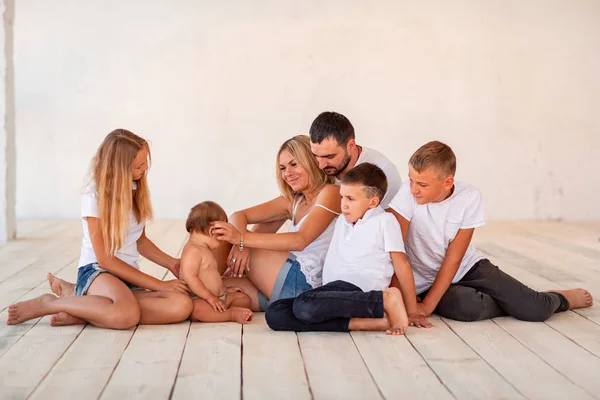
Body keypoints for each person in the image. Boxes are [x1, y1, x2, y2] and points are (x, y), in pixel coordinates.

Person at [388, 140, 594, 321]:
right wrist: (411, 303)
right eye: (412, 180)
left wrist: (428, 306)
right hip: (422, 280)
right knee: (467, 308)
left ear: (448, 182)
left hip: (466, 268)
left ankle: (555, 298)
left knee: (535, 310)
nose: (414, 189)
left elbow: (454, 259)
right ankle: (516, 302)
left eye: (422, 184)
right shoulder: (406, 195)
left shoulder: (469, 197)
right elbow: (397, 255)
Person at [8, 129, 193, 328]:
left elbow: (139, 240)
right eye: (139, 165)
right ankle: (51, 303)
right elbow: (105, 259)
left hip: (126, 275)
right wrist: (159, 285)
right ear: (120, 168)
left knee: (181, 305)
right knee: (126, 316)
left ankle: (84, 308)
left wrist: (171, 263)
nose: (146, 168)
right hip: (99, 271)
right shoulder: (94, 196)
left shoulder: (134, 188)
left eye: (145, 162)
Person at [266, 163, 432, 334]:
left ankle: (384, 300)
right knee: (275, 313)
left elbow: (402, 264)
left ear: (373, 202)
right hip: (332, 293)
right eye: (342, 197)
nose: (344, 205)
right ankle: (366, 323)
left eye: (350, 199)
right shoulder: (341, 221)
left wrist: (412, 311)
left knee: (304, 305)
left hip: (358, 290)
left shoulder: (384, 221)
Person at [210, 135, 341, 312]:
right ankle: (181, 286)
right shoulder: (292, 201)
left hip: (301, 284)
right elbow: (238, 215)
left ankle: (190, 269)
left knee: (226, 235)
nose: (287, 173)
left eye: (294, 164)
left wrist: (241, 239)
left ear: (311, 161)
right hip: (278, 285)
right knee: (210, 289)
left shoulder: (331, 192)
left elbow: (300, 240)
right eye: (282, 168)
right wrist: (242, 246)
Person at [309, 111, 402, 208]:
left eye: (330, 157)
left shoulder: (384, 172)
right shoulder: (310, 163)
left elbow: (391, 221)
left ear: (351, 145)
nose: (321, 165)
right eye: (316, 155)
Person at [181, 201, 253, 324]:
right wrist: (209, 297)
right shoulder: (193, 250)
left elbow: (211, 276)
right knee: (197, 309)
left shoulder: (205, 249)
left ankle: (222, 312)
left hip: (218, 297)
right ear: (212, 231)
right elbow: (190, 278)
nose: (223, 241)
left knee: (244, 299)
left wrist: (224, 289)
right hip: (199, 298)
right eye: (222, 235)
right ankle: (230, 314)